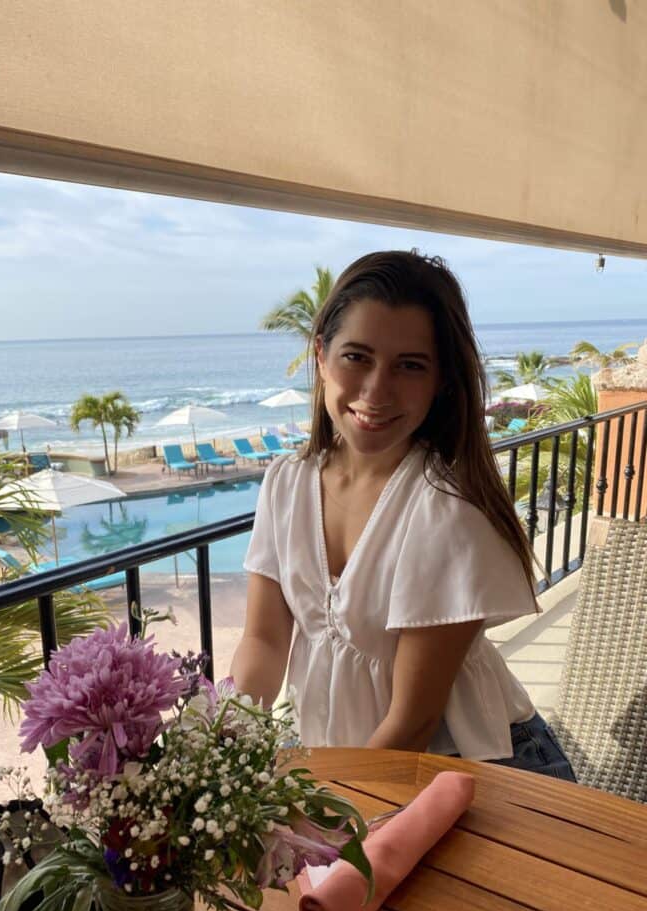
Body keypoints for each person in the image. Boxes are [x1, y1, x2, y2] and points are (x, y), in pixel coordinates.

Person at [231, 250, 576, 781]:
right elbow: (265, 641)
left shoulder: (448, 508)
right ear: (321, 357)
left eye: (410, 366)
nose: (376, 390)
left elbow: (413, 722)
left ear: (441, 381)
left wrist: (307, 807)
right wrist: (223, 751)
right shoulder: (286, 484)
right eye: (357, 357)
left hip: (478, 766)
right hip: (358, 765)